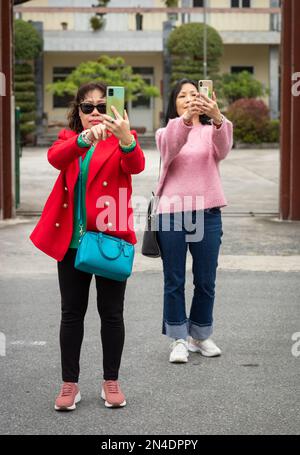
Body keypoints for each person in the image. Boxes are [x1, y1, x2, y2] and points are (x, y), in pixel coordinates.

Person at [30, 82, 145, 410]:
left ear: (112, 110)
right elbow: (55, 158)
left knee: (111, 314)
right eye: (87, 107)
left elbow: (136, 165)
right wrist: (85, 139)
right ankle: (70, 385)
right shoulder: (70, 141)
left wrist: (123, 137)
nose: (95, 113)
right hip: (72, 244)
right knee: (71, 313)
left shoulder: (125, 140)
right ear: (77, 113)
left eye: (100, 107)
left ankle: (111, 381)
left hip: (108, 240)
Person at [155, 78, 233, 363]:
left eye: (194, 94)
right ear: (174, 103)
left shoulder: (214, 130)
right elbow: (172, 147)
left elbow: (224, 150)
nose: (188, 99)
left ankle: (199, 335)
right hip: (172, 212)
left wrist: (217, 117)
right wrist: (186, 119)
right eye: (182, 96)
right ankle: (178, 338)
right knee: (174, 279)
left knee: (205, 280)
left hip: (207, 212)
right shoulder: (166, 131)